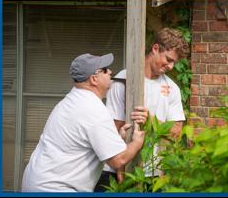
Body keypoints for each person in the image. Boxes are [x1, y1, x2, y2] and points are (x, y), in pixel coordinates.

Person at [21, 53, 146, 192]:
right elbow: (117, 160)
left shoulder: (71, 100)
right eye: (105, 69)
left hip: (38, 182)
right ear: (94, 78)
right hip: (55, 188)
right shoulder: (94, 109)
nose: (110, 71)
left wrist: (115, 139)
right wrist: (136, 143)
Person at [94, 27, 189, 192]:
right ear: (155, 48)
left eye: (175, 62)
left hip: (151, 174)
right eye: (168, 59)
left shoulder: (172, 88)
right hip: (113, 173)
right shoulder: (123, 80)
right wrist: (120, 175)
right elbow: (114, 130)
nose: (171, 66)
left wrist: (151, 121)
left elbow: (175, 133)